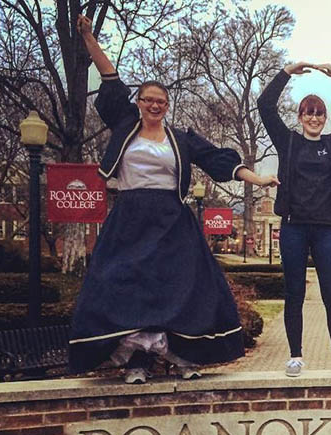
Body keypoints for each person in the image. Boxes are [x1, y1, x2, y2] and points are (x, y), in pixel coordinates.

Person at [70, 15, 279, 384]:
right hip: (130, 217)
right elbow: (111, 80)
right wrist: (89, 39)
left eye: (161, 101)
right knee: (126, 287)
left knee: (183, 288)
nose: (154, 105)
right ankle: (137, 362)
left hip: (171, 220)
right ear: (138, 103)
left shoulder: (180, 138)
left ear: (167, 106)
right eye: (148, 99)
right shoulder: (124, 126)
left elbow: (218, 160)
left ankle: (183, 355)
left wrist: (258, 177)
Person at [257, 60, 331, 377]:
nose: (314, 118)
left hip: (326, 230)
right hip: (293, 227)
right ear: (301, 117)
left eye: (319, 113)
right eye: (308, 113)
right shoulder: (288, 141)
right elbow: (265, 105)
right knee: (294, 292)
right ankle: (295, 356)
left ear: (324, 117)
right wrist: (288, 71)